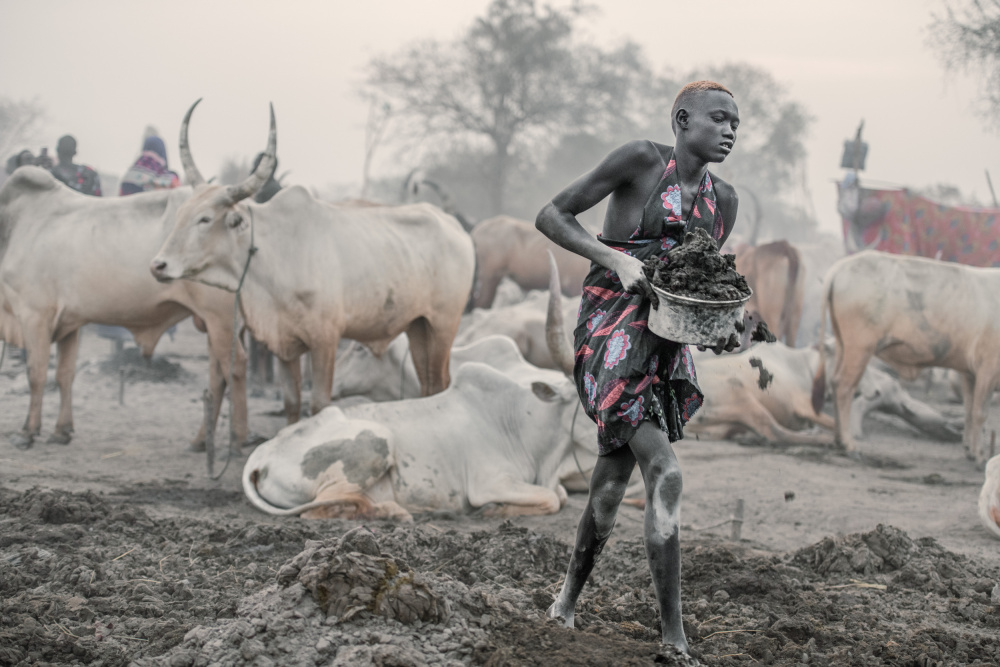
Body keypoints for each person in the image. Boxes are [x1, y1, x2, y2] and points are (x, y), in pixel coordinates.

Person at [534, 80, 741, 655]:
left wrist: (728, 328)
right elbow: (551, 214)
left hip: (665, 347)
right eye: (719, 118)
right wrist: (615, 258)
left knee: (607, 489)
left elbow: (700, 286)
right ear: (682, 119)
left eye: (736, 124)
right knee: (666, 473)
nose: (729, 131)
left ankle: (564, 604)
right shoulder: (641, 161)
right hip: (609, 334)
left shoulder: (724, 200)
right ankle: (674, 639)